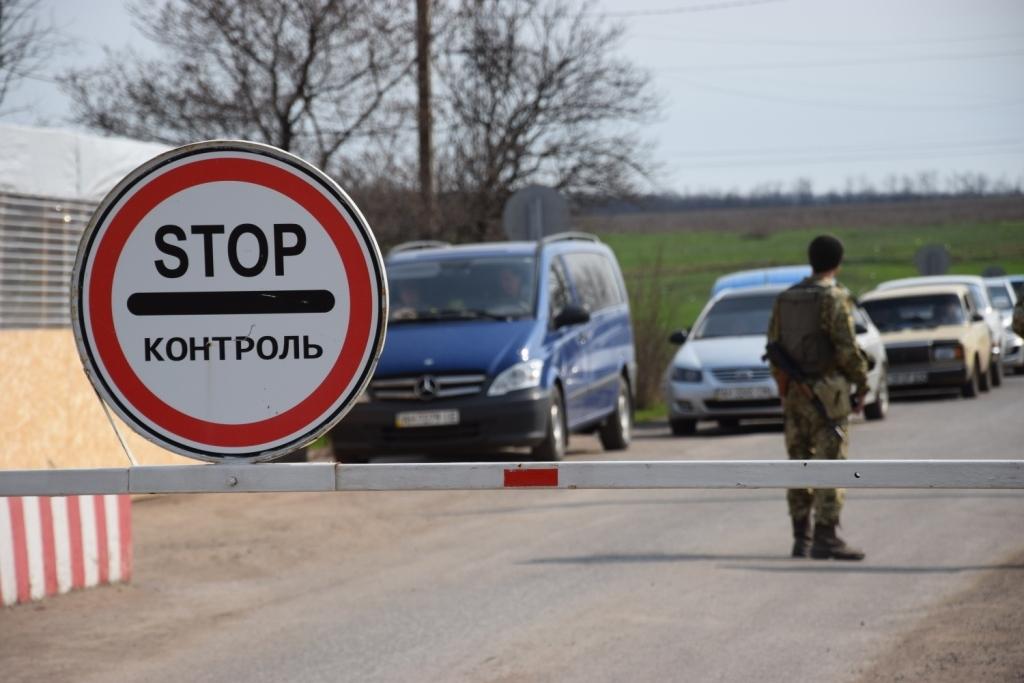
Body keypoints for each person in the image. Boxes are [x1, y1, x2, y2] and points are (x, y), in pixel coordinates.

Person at [766, 235, 869, 561]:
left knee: (798, 463)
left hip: (795, 395)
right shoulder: (835, 298)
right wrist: (862, 383)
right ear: (837, 263)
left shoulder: (786, 298)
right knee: (830, 463)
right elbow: (847, 349)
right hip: (828, 396)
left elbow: (773, 344)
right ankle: (825, 536)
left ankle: (801, 537)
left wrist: (785, 387)